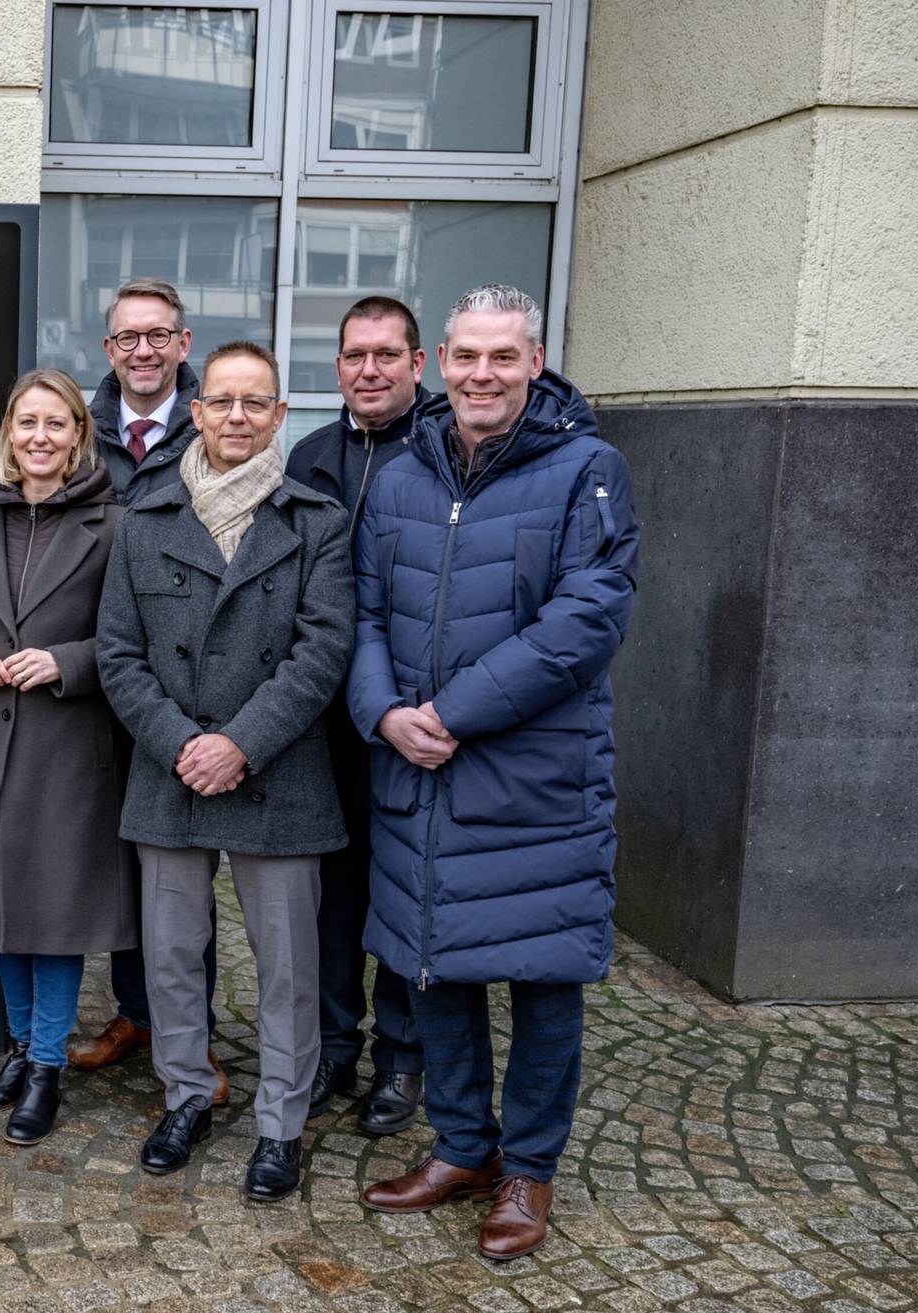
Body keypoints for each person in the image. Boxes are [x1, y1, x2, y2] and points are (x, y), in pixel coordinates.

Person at [351, 285, 638, 1260]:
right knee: (436, 963)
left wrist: (450, 712)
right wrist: (384, 710)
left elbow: (588, 616)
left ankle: (528, 1171)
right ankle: (464, 1146)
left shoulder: (588, 469)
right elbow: (363, 612)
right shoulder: (400, 473)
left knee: (544, 978)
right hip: (420, 774)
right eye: (466, 356)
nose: (482, 374)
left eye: (501, 357)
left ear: (534, 360)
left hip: (537, 783)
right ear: (439, 361)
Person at [97, 340, 352, 1202]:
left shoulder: (317, 519)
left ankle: (281, 1123)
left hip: (277, 770)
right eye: (223, 401)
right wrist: (181, 743)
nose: (238, 416)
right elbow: (117, 654)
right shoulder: (143, 517)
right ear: (195, 412)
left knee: (288, 967)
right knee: (171, 956)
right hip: (169, 768)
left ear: (281, 415)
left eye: (257, 402)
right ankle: (186, 1093)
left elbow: (324, 653)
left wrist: (241, 742)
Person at [0, 368, 133, 1146]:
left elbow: (129, 643)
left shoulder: (114, 524)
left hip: (67, 747)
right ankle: (18, 1050)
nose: (39, 436)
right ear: (8, 433)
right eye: (25, 422)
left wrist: (66, 663)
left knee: (54, 915)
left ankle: (46, 1066)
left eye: (56, 422)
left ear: (79, 433)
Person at [68, 277, 225, 1107]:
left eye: (158, 336)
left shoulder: (211, 430)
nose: (143, 351)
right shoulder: (81, 434)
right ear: (108, 350)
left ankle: (187, 1033)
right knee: (121, 859)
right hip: (92, 674)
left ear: (183, 343)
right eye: (128, 337)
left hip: (177, 690)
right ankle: (136, 1012)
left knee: (180, 869)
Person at [282, 295, 433, 1135]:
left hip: (412, 716)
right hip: (323, 721)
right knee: (330, 897)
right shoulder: (308, 455)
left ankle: (403, 1058)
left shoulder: (446, 452)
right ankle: (334, 1046)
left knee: (405, 892)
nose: (368, 370)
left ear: (419, 362)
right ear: (335, 367)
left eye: (385, 354)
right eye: (353, 356)